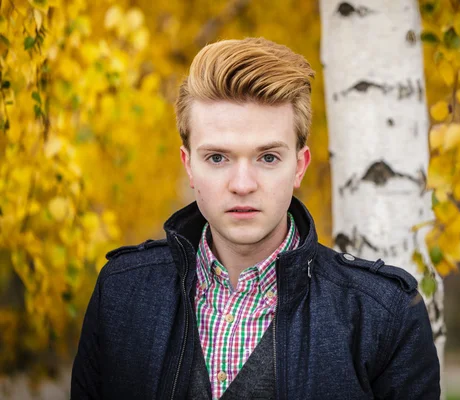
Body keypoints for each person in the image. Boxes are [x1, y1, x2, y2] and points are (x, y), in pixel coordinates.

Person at [71, 37, 440, 400]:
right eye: (218, 158)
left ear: (300, 166)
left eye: (268, 158)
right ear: (189, 166)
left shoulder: (382, 315)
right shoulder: (122, 294)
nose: (242, 185)